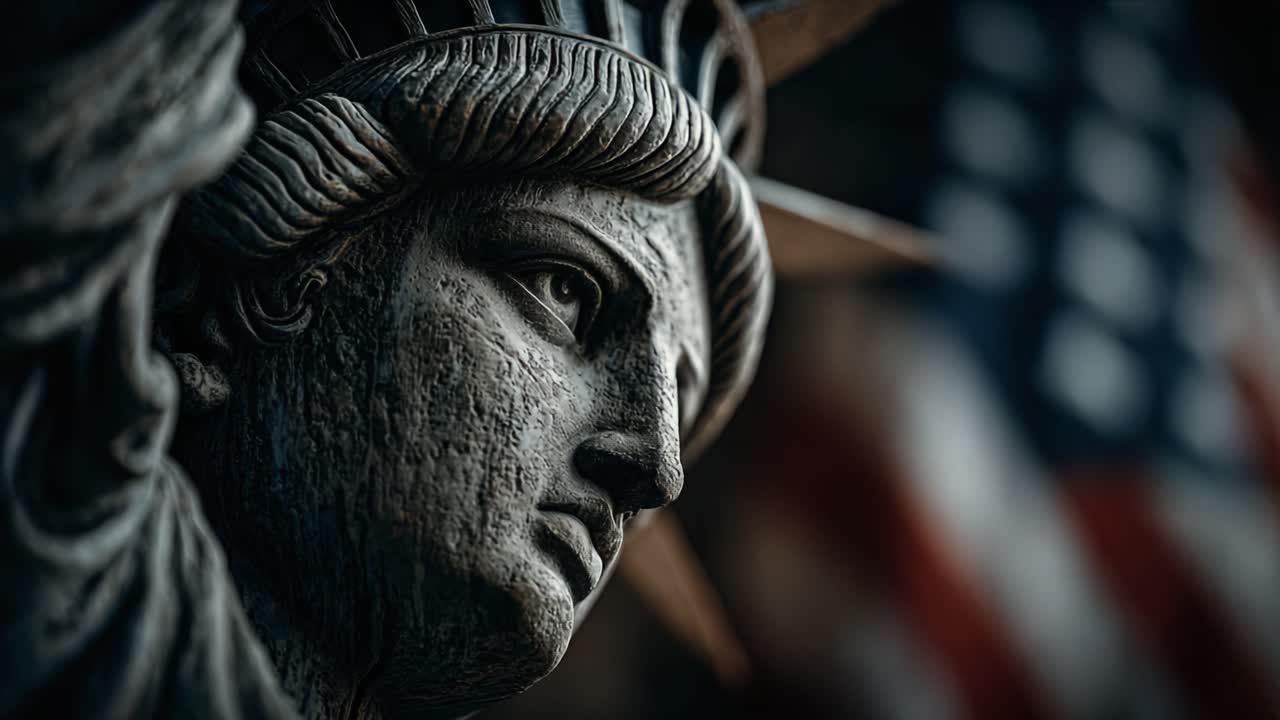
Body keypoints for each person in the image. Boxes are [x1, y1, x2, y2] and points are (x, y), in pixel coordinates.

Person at [0, 1, 771, 717]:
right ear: (250, 279)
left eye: (678, 390)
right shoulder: (60, 535)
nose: (658, 464)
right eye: (565, 291)